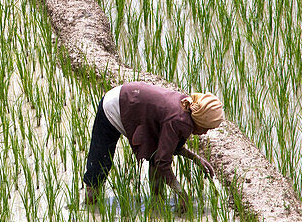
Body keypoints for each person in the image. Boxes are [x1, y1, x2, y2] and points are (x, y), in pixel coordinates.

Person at [83, 81, 224, 213]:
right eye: (206, 128)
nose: (205, 132)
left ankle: (156, 202)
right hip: (116, 104)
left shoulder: (188, 109)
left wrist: (195, 158)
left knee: (155, 153)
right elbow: (162, 162)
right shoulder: (180, 120)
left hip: (132, 97)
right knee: (101, 160)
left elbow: (168, 148)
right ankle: (90, 206)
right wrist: (181, 193)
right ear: (199, 120)